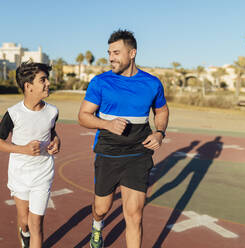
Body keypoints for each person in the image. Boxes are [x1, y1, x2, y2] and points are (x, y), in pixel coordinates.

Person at [78, 29, 169, 248]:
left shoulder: (152, 83)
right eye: (109, 52)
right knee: (101, 208)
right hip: (108, 153)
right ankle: (97, 227)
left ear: (132, 53)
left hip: (138, 155)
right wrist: (106, 124)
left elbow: (162, 111)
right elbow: (83, 116)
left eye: (116, 52)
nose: (111, 58)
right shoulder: (100, 82)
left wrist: (159, 132)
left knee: (135, 214)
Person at [0, 61, 60, 248]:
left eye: (47, 79)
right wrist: (23, 149)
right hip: (20, 174)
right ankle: (24, 234)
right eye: (43, 80)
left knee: (36, 223)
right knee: (24, 220)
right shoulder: (13, 114)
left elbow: (52, 132)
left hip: (43, 173)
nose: (48, 83)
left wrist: (57, 141)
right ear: (28, 86)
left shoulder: (52, 111)